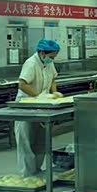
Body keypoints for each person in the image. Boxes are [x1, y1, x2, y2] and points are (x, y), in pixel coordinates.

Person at [14, 39, 62, 176]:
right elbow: (22, 84)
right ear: (42, 53)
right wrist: (38, 96)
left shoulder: (49, 63)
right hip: (26, 108)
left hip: (42, 106)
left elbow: (53, 79)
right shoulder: (31, 63)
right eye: (51, 57)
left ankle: (37, 172)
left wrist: (55, 93)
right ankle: (27, 174)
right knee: (26, 142)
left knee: (41, 140)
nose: (52, 59)